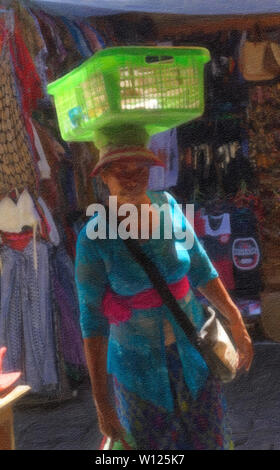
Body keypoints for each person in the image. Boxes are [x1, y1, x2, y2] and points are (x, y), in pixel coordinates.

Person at [74, 126, 253, 450]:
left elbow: (200, 267)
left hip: (195, 357)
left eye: (138, 170)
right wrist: (102, 403)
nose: (130, 178)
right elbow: (92, 321)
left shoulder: (170, 207)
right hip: (138, 373)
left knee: (209, 440)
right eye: (120, 171)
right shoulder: (93, 237)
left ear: (150, 170)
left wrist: (235, 319)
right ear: (103, 177)